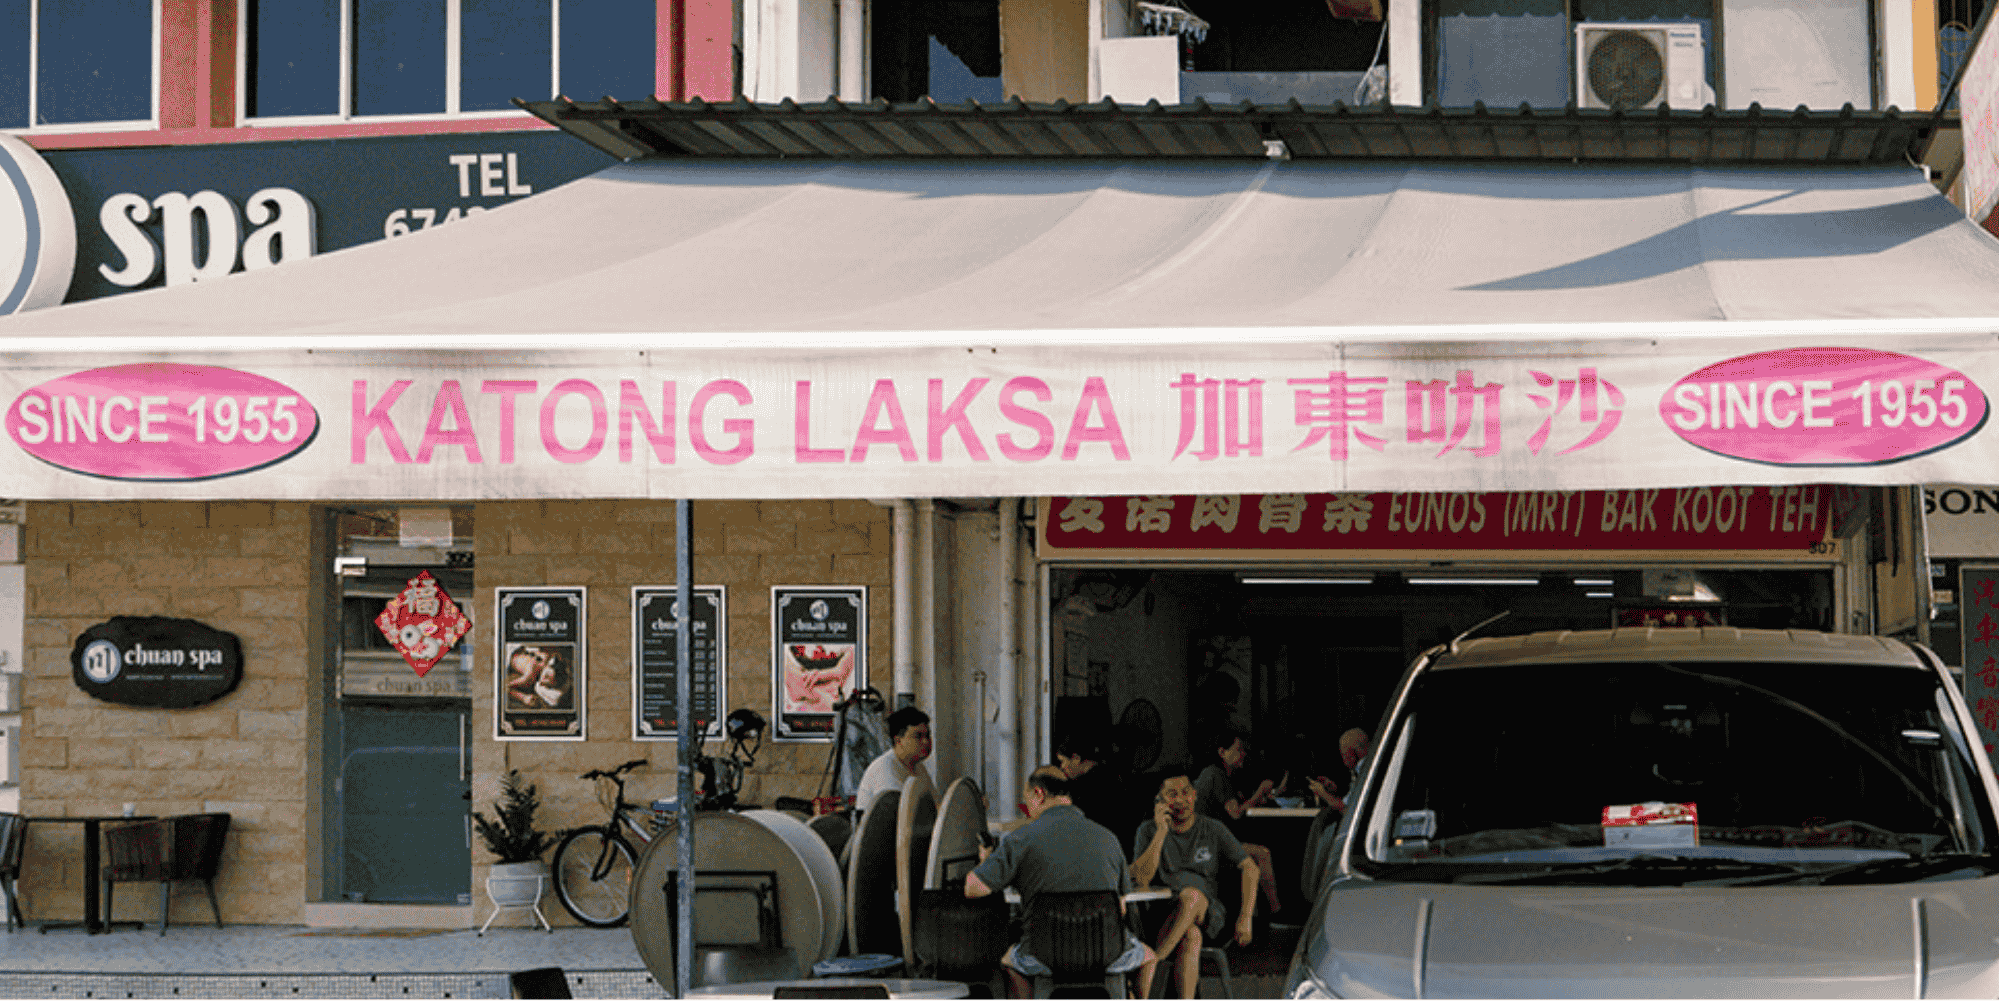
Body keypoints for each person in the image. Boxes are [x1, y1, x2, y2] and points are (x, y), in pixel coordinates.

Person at [966, 766, 1158, 998]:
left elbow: (973, 888)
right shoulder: (1108, 838)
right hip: (1106, 954)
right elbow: (1121, 908)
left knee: (1009, 961)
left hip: (1042, 955)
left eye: (1027, 800)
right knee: (1149, 957)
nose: (1028, 810)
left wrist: (986, 862)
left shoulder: (1021, 838)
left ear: (1038, 793)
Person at [1131, 768, 1257, 1000]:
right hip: (1162, 914)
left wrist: (1246, 917)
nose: (1181, 799)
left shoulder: (1213, 828)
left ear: (1195, 795)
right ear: (1160, 800)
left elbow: (1250, 867)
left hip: (1208, 914)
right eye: (1172, 794)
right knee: (1191, 936)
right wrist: (1161, 833)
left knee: (1192, 896)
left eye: (1186, 792)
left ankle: (1151, 964)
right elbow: (1141, 879)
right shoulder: (1147, 830)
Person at [1194, 731, 1281, 915]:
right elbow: (1235, 813)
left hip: (1211, 842)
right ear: (1222, 752)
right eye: (1239, 749)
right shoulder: (1216, 775)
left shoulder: (1224, 775)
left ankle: (1255, 915)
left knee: (1254, 854)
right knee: (1262, 854)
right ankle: (1276, 911)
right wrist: (1258, 794)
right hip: (1207, 847)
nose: (1243, 754)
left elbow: (1238, 804)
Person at [852, 706, 933, 815]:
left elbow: (935, 807)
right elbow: (903, 818)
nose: (926, 741)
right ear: (898, 740)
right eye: (918, 736)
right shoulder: (885, 768)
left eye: (927, 735)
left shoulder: (918, 767)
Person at [1056, 732, 1131, 849]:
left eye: (1063, 761)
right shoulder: (1112, 776)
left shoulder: (1085, 787)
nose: (1061, 767)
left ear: (1076, 758)